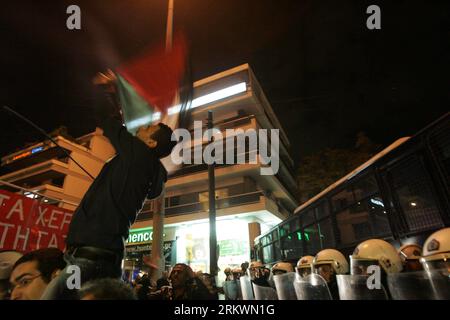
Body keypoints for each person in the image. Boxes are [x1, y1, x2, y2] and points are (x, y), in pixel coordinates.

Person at [40, 73, 177, 299]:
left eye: (147, 129)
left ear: (151, 143)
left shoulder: (137, 153)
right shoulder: (147, 169)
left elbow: (107, 119)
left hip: (87, 260)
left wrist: (108, 91)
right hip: (107, 261)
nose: (141, 129)